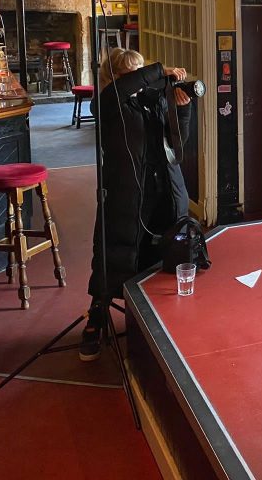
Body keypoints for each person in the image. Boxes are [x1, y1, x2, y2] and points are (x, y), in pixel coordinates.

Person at [80, 47, 193, 360]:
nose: (140, 80)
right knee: (114, 255)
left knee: (157, 257)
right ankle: (97, 316)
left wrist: (181, 111)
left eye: (140, 71)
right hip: (126, 196)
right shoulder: (107, 104)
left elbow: (177, 143)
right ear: (115, 78)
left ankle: (153, 323)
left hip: (162, 191)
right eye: (132, 74)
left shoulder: (151, 101)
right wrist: (159, 70)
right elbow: (120, 91)